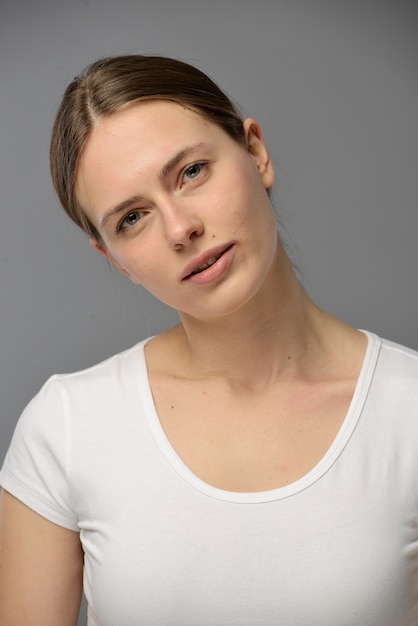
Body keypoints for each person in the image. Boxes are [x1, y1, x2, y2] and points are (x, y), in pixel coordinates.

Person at [0, 55, 417, 626]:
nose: (180, 228)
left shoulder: (408, 410)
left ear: (256, 152)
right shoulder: (66, 427)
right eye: (131, 218)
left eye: (191, 172)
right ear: (113, 259)